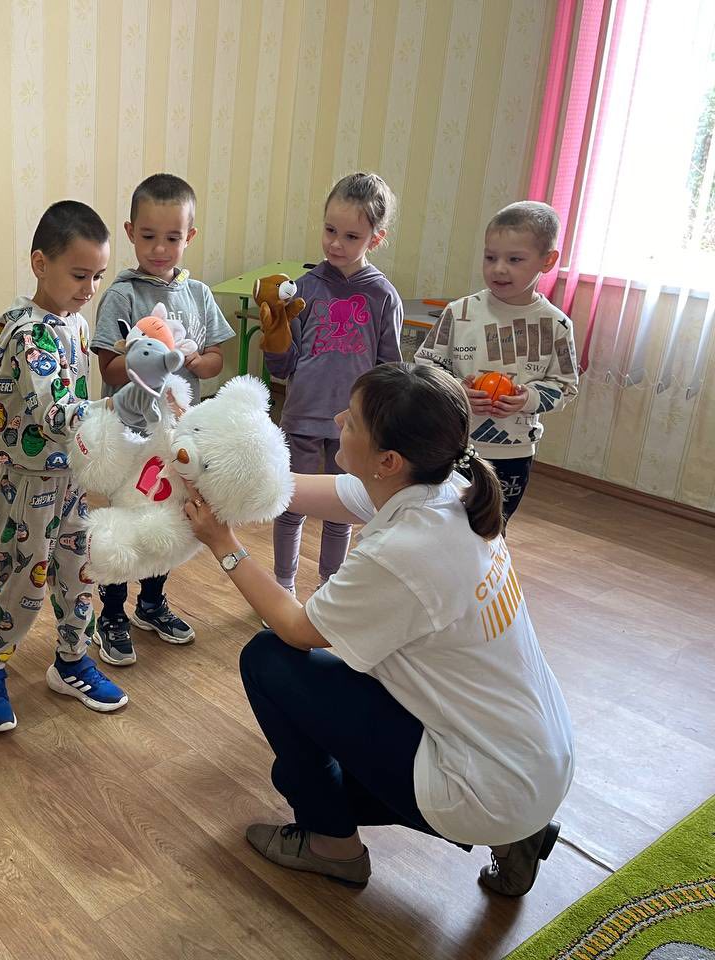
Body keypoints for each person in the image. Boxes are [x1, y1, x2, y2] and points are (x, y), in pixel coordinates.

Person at [182, 362, 573, 896]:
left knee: (269, 661)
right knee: (310, 766)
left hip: (486, 787)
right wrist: (212, 472)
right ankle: (518, 836)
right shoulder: (444, 486)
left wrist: (223, 544)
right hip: (534, 759)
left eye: (352, 419)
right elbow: (287, 490)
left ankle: (333, 846)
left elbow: (296, 628)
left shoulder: (405, 552)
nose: (338, 419)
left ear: (388, 460)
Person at [0, 200, 129, 733]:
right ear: (40, 263)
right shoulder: (27, 333)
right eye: (80, 275)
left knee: (79, 572)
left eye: (98, 276)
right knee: (26, 582)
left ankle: (73, 660)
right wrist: (116, 408)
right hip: (28, 483)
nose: (90, 288)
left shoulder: (73, 323)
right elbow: (50, 414)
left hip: (71, 477)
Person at [88, 173, 234, 665]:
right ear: (130, 232)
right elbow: (108, 367)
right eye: (148, 236)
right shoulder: (121, 294)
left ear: (189, 236)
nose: (159, 248)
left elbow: (215, 361)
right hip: (129, 436)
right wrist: (144, 360)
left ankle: (151, 602)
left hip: (176, 436)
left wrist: (194, 361)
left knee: (167, 517)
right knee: (125, 520)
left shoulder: (199, 295)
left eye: (172, 238)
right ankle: (110, 612)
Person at [263, 172, 403, 596]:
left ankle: (329, 588)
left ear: (375, 239)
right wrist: (274, 334)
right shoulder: (303, 289)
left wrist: (379, 427)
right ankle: (283, 585)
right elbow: (283, 365)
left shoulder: (383, 296)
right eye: (329, 230)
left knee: (342, 512)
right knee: (290, 505)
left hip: (354, 428)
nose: (336, 244)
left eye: (351, 236)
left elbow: (389, 371)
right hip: (302, 416)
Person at [415, 200, 579, 522]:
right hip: (452, 443)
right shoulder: (459, 312)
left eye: (514, 259)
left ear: (548, 261)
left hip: (512, 453)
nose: (499, 268)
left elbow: (565, 387)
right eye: (491, 257)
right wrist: (457, 390)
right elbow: (427, 366)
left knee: (490, 527)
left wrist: (527, 398)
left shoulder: (556, 325)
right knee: (438, 522)